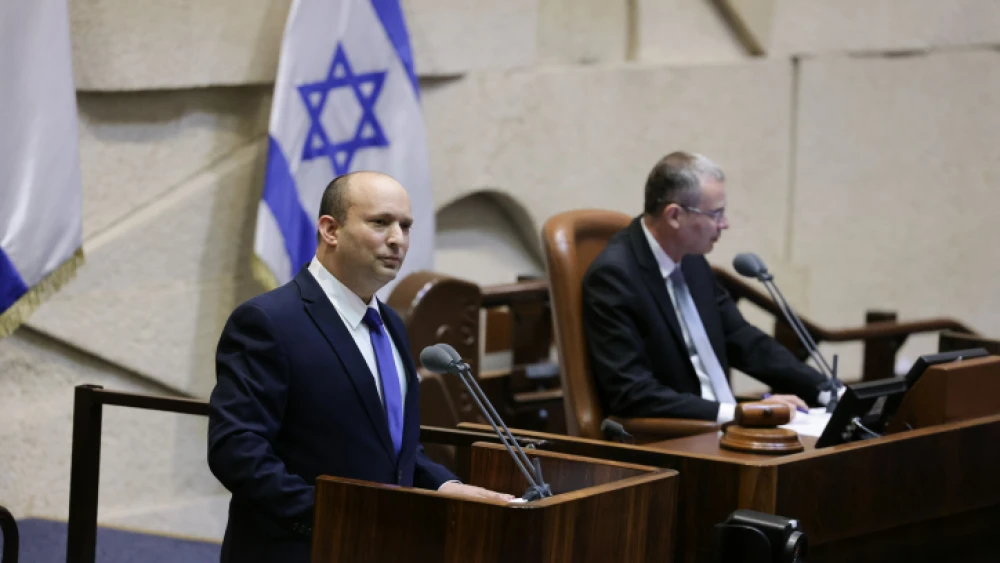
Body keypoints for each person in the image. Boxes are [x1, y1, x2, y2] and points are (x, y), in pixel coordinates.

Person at [208, 171, 511, 563]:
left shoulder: (392, 325)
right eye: (380, 222)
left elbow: (395, 448)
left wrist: (445, 486)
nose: (397, 239)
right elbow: (237, 452)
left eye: (405, 226)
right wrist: (335, 517)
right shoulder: (268, 322)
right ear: (330, 230)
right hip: (299, 549)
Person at [582, 151, 828, 423]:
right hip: (668, 439)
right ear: (674, 216)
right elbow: (632, 393)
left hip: (719, 425)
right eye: (716, 214)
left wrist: (826, 390)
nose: (725, 224)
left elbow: (743, 340)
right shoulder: (614, 277)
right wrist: (737, 414)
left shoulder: (692, 261)